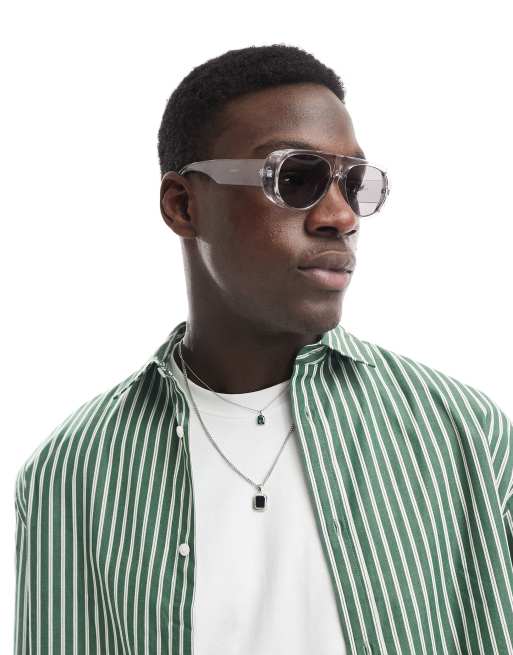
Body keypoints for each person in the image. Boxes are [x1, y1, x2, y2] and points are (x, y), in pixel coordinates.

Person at [13, 43, 513, 655]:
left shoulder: (464, 434)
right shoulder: (71, 472)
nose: (341, 217)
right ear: (184, 205)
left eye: (355, 184)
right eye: (295, 178)